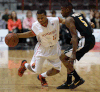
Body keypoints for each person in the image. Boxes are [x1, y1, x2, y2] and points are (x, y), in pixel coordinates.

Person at [17, 9, 65, 87]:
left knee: (57, 70)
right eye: (38, 18)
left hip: (54, 48)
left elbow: (66, 21)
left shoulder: (55, 20)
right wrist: (18, 35)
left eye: (42, 18)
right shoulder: (35, 25)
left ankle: (42, 76)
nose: (40, 20)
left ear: (46, 16)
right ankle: (24, 65)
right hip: (42, 48)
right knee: (36, 70)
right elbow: (30, 34)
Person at [57, 1, 95, 89]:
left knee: (63, 57)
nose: (61, 12)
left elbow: (74, 36)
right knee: (68, 59)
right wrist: (90, 25)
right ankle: (68, 82)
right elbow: (85, 24)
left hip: (85, 40)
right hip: (89, 39)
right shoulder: (78, 14)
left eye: (62, 10)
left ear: (67, 9)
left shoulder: (68, 19)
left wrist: (74, 53)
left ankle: (78, 79)